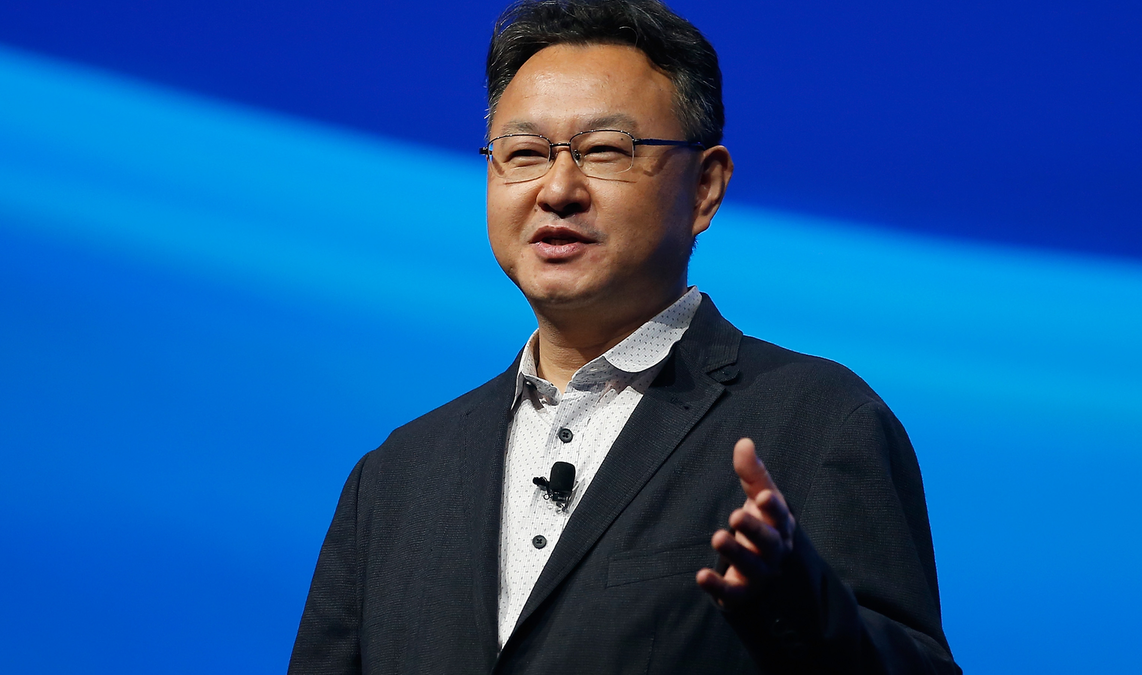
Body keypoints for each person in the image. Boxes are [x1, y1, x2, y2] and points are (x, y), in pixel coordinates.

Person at [289, 1, 960, 673]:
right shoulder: (393, 481)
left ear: (705, 187)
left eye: (605, 150)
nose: (557, 188)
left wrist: (803, 610)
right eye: (523, 153)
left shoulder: (818, 422)